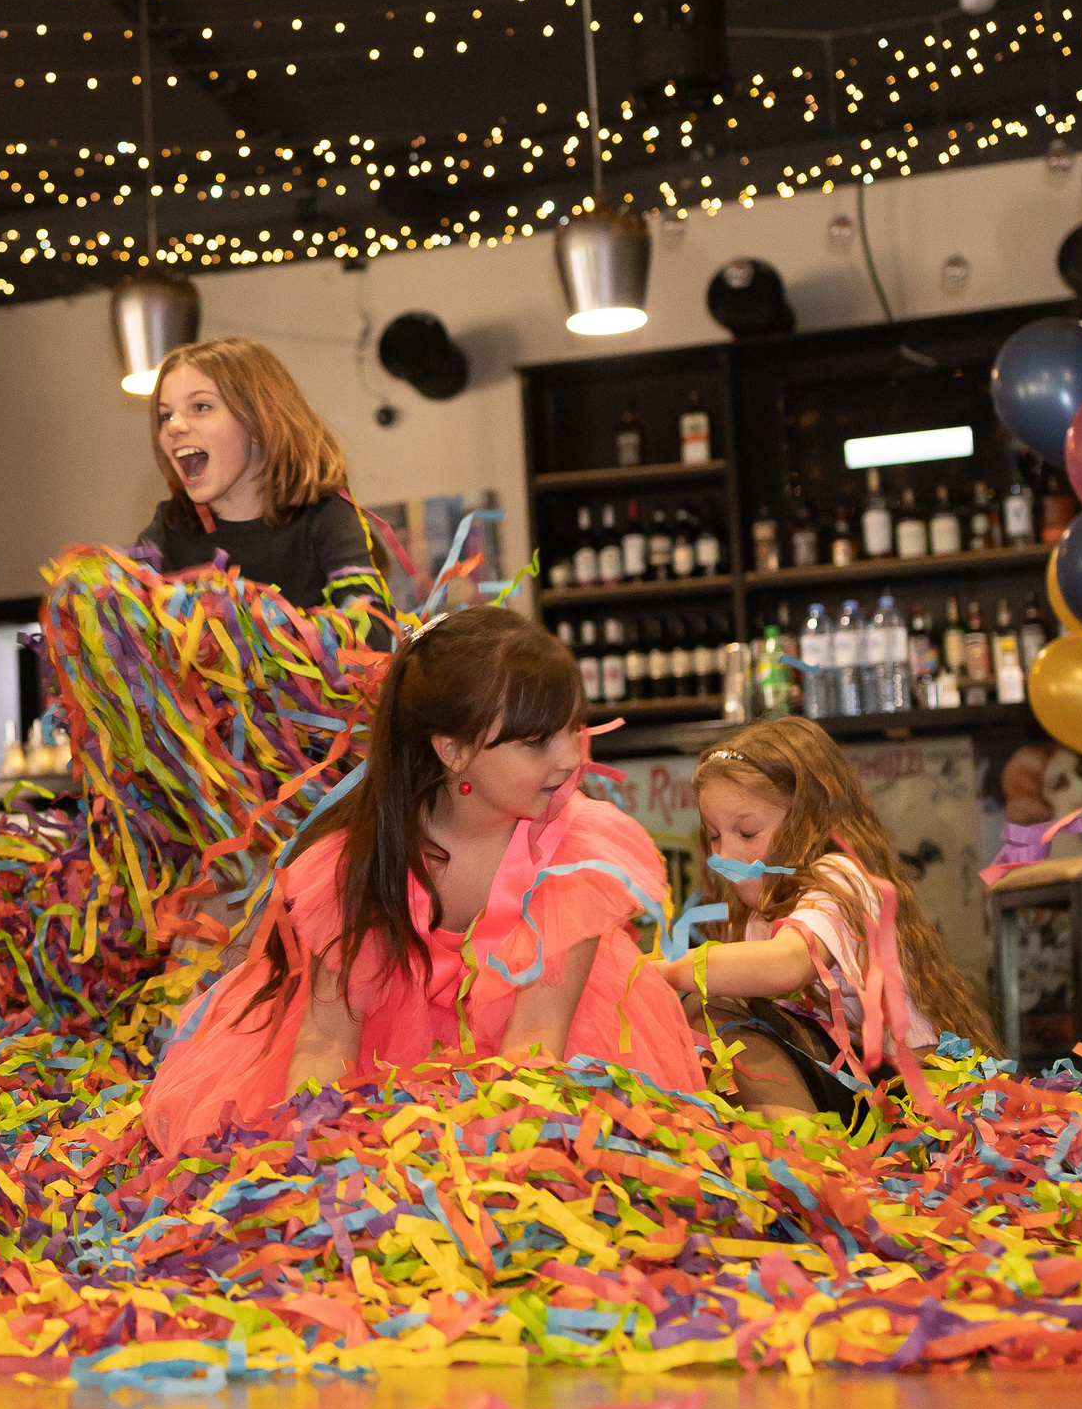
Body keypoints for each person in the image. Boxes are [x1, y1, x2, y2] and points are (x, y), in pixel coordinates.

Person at [143, 605, 706, 1155]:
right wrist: (312, 1152)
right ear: (453, 751)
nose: (569, 758)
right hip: (380, 1057)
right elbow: (327, 1039)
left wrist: (479, 1162)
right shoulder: (360, 861)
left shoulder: (575, 854)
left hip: (538, 1068)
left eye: (572, 729)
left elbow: (537, 1045)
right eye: (537, 742)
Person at [655, 716, 1002, 1115]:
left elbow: (788, 964)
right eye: (714, 835)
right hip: (858, 1080)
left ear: (810, 823)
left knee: (715, 1013)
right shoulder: (759, 910)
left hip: (916, 1090)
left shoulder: (839, 879)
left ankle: (806, 1159)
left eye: (747, 833)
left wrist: (665, 972)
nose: (723, 856)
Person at [134, 338, 381, 612]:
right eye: (165, 415)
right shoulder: (167, 531)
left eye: (201, 407)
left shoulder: (324, 513)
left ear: (258, 422)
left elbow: (372, 633)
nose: (174, 426)